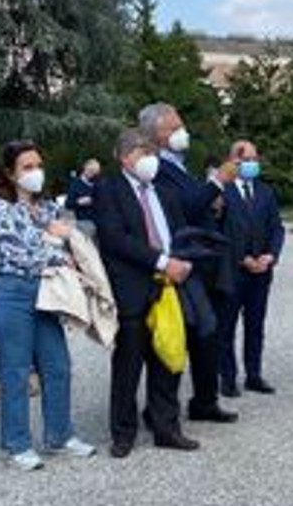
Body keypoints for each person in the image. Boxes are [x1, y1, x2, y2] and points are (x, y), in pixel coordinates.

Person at [0, 140, 96, 471]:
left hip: (46, 295)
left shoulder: (46, 207)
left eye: (38, 165)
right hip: (11, 296)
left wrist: (57, 242)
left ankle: (59, 437)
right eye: (27, 167)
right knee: (15, 373)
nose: (36, 173)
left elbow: (68, 240)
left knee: (57, 366)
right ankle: (17, 444)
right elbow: (18, 252)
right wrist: (58, 249)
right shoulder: (0, 209)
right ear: (10, 173)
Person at [95, 129, 198, 458]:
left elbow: (180, 232)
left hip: (169, 287)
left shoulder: (164, 192)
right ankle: (123, 434)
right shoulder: (108, 189)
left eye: (152, 152)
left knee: (168, 358)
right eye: (143, 152)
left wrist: (184, 259)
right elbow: (115, 238)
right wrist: (163, 261)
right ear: (124, 157)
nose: (150, 159)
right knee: (128, 364)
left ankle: (167, 427)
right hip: (133, 289)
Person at [138, 103, 238, 425]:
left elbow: (196, 205)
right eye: (174, 127)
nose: (183, 132)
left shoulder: (179, 164)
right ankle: (163, 409)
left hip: (202, 261)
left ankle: (204, 401)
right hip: (179, 262)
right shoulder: (156, 168)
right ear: (156, 135)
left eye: (181, 125)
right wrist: (218, 182)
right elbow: (184, 208)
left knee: (205, 333)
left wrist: (215, 200)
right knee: (185, 332)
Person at [218, 140, 285, 397]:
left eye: (256, 159)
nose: (253, 164)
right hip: (233, 271)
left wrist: (271, 255)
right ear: (233, 160)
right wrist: (242, 257)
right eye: (247, 159)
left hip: (261, 272)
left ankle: (254, 375)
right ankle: (228, 377)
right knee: (227, 326)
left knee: (255, 326)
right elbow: (218, 232)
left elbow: (276, 228)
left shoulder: (265, 192)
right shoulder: (221, 191)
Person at [66, 158, 100, 238]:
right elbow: (68, 204)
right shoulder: (76, 184)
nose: (93, 174)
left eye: (95, 172)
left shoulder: (98, 182)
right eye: (91, 170)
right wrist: (79, 202)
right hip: (84, 221)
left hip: (99, 220)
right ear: (85, 168)